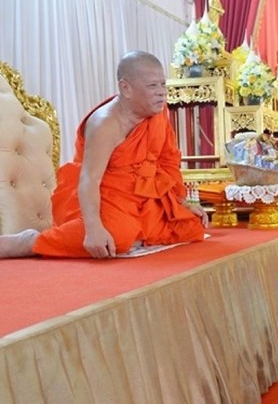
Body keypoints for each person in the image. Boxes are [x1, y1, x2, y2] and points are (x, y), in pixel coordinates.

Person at [0, 50, 208, 259]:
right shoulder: (105, 124)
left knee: (192, 224)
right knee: (118, 237)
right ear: (125, 88)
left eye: (163, 84)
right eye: (152, 86)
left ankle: (137, 232)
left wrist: (180, 202)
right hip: (106, 196)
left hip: (146, 194)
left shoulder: (157, 112)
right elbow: (89, 180)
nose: (161, 92)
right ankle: (32, 241)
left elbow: (168, 159)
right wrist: (93, 228)